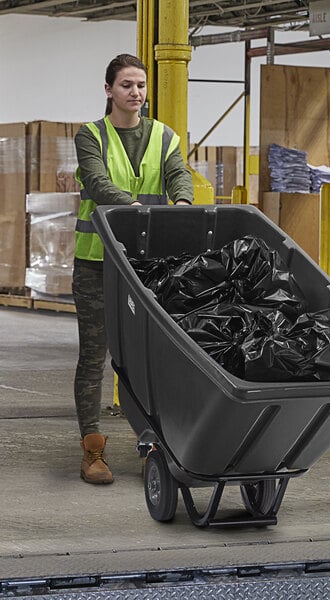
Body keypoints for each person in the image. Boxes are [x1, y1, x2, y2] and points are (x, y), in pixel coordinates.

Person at [73, 53, 193, 484]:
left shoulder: (164, 136)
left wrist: (181, 205)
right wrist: (138, 209)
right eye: (126, 85)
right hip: (96, 264)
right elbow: (98, 183)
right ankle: (91, 449)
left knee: (147, 362)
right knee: (94, 357)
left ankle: (152, 444)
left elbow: (179, 174)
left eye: (141, 85)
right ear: (109, 90)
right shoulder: (91, 136)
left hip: (146, 265)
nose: (136, 93)